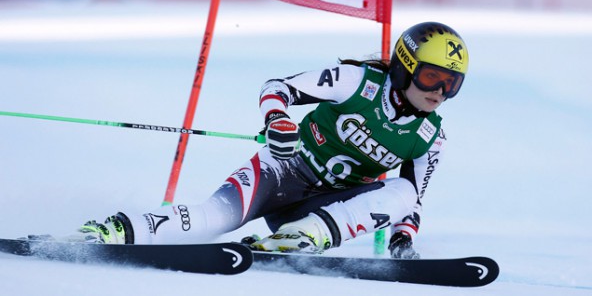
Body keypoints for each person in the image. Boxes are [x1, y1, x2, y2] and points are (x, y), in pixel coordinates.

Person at [77, 21, 469, 259]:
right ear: (405, 67)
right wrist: (278, 119)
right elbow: (276, 87)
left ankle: (298, 239)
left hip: (321, 211)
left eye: (452, 84)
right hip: (279, 172)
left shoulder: (429, 138)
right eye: (432, 76)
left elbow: (410, 201)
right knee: (214, 219)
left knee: (401, 190)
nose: (440, 92)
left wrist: (403, 239)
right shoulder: (355, 83)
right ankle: (115, 230)